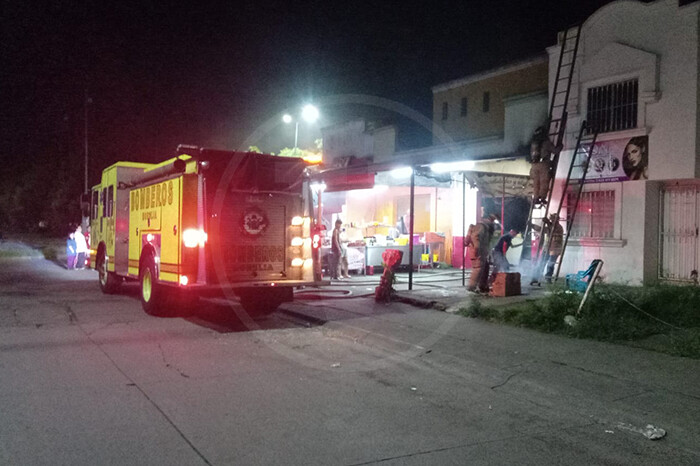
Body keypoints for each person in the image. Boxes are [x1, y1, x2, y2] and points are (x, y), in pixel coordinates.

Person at [529, 126, 562, 205]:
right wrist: (561, 146)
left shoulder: (533, 144)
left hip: (534, 165)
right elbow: (555, 151)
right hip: (543, 164)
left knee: (536, 183)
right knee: (544, 182)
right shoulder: (546, 142)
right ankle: (543, 197)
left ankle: (536, 198)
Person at [466, 214, 496, 293]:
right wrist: (477, 248)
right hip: (478, 250)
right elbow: (476, 237)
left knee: (485, 267)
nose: (492, 222)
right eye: (492, 219)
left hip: (481, 251)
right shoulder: (481, 226)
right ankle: (471, 287)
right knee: (478, 268)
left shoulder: (485, 227)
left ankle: (483, 286)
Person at [531, 213, 564, 284]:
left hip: (555, 249)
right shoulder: (550, 226)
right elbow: (541, 229)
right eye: (551, 219)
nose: (551, 220)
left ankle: (548, 278)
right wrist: (532, 225)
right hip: (547, 248)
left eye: (552, 219)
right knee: (541, 262)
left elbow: (552, 229)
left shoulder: (559, 227)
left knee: (550, 264)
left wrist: (548, 222)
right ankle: (536, 277)